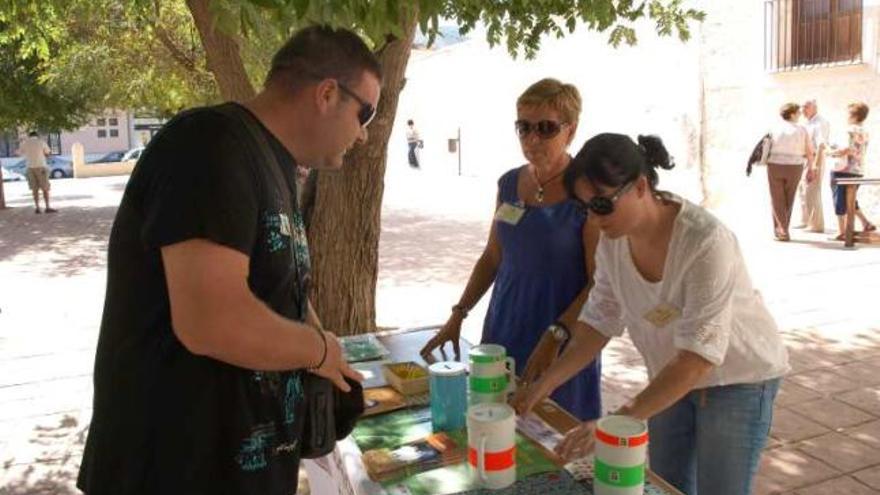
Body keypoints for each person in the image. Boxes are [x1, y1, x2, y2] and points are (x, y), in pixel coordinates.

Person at [77, 25, 380, 495]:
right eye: (366, 113)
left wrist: (325, 350)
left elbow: (281, 290)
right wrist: (317, 351)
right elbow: (210, 319)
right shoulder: (209, 145)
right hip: (173, 472)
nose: (364, 135)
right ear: (326, 94)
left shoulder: (275, 165)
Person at [513, 133, 790, 495]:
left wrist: (616, 421)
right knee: (667, 484)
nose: (594, 219)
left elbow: (697, 359)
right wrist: (545, 385)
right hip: (668, 374)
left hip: (736, 378)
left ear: (640, 186)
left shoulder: (705, 241)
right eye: (584, 208)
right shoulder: (613, 241)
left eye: (601, 204)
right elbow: (598, 322)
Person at [420, 78, 602, 421]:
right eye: (524, 127)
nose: (532, 139)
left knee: (554, 435)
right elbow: (493, 257)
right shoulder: (508, 183)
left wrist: (557, 334)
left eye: (546, 128)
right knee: (497, 421)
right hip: (505, 326)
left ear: (571, 130)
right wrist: (458, 314)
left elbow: (599, 283)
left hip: (561, 338)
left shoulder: (588, 191)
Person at [766, 103, 816, 241]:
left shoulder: (774, 128)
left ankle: (781, 229)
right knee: (789, 198)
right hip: (795, 166)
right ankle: (782, 229)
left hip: (775, 164)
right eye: (798, 112)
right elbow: (809, 151)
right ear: (792, 114)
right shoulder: (802, 130)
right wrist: (811, 168)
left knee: (777, 198)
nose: (800, 114)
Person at [829, 101, 876, 240]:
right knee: (850, 199)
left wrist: (830, 152)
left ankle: (842, 231)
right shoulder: (865, 131)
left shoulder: (849, 130)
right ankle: (865, 222)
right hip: (857, 169)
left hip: (842, 169)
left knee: (839, 200)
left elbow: (845, 149)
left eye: (848, 113)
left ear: (853, 115)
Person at [797, 99, 830, 232]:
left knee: (812, 190)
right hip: (805, 159)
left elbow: (821, 145)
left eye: (806, 107)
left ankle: (816, 225)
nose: (803, 110)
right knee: (803, 191)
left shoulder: (820, 123)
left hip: (816, 159)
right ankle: (806, 220)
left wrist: (815, 165)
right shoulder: (807, 123)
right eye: (802, 107)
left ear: (814, 107)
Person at [16, 131, 56, 214]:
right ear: (37, 136)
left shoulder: (25, 143)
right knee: (45, 188)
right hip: (41, 167)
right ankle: (47, 207)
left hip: (30, 167)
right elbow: (48, 153)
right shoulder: (41, 142)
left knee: (34, 189)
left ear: (29, 136)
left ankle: (37, 208)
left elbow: (18, 153)